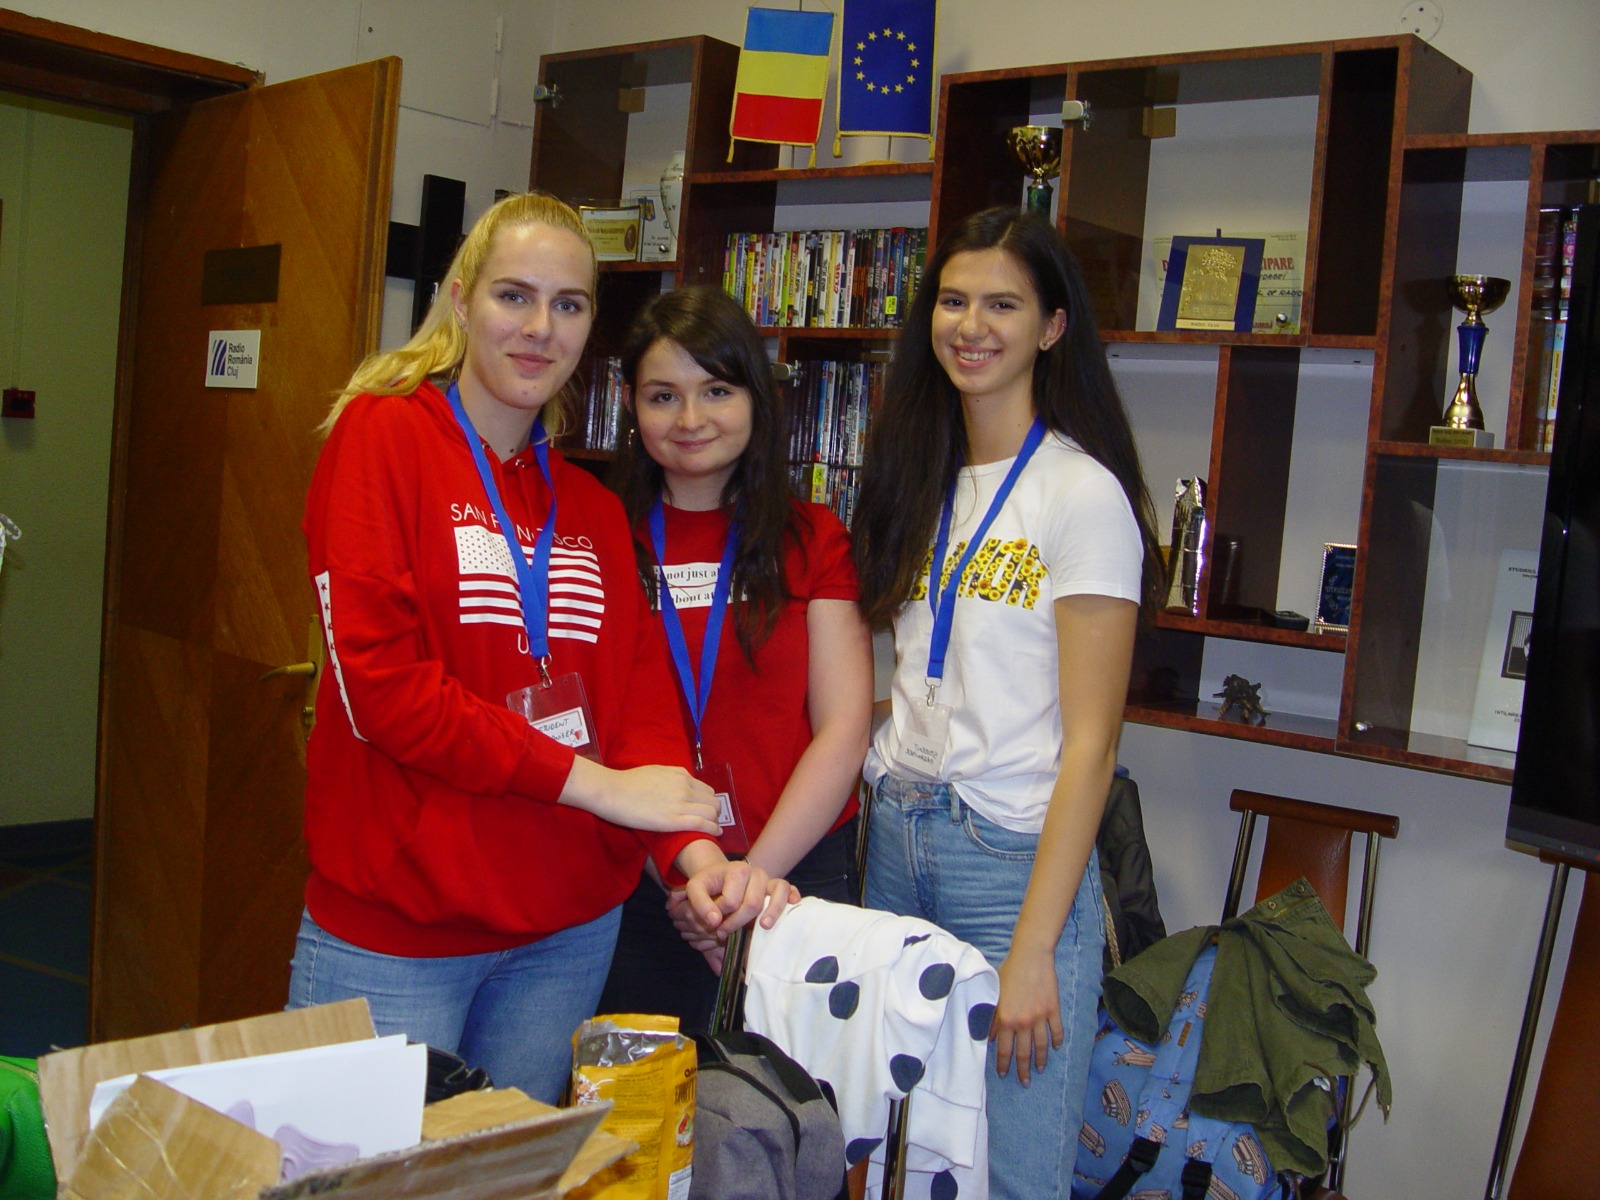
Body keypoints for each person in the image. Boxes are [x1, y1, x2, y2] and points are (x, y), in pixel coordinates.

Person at [289, 193, 793, 1104]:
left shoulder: (593, 510)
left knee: (511, 1177)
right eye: (513, 296)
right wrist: (598, 787)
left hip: (564, 935)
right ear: (457, 300)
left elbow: (636, 705)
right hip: (404, 925)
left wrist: (696, 855)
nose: (539, 328)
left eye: (568, 305)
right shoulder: (383, 435)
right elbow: (385, 690)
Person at [851, 207, 1163, 1199]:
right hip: (895, 845)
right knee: (898, 1163)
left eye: (1002, 304)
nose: (970, 325)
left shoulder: (1080, 495)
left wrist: (1033, 951)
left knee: (1015, 1177)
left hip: (1011, 874)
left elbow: (1090, 747)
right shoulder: (913, 474)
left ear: (1051, 328)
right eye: (952, 300)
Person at [598, 286, 874, 1031]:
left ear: (755, 397)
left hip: (795, 876)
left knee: (793, 1124)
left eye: (716, 390)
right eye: (663, 396)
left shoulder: (813, 538)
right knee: (641, 1126)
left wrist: (747, 881)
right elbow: (607, 727)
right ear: (631, 404)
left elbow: (844, 729)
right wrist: (692, 874)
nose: (690, 420)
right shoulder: (598, 541)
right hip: (641, 881)